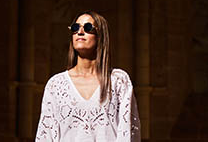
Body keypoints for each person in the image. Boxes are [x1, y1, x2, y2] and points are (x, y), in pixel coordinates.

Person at [35, 11, 140, 141]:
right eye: (75, 28)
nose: (80, 32)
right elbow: (46, 135)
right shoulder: (56, 85)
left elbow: (127, 133)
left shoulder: (118, 80)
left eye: (88, 28)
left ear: (101, 35)